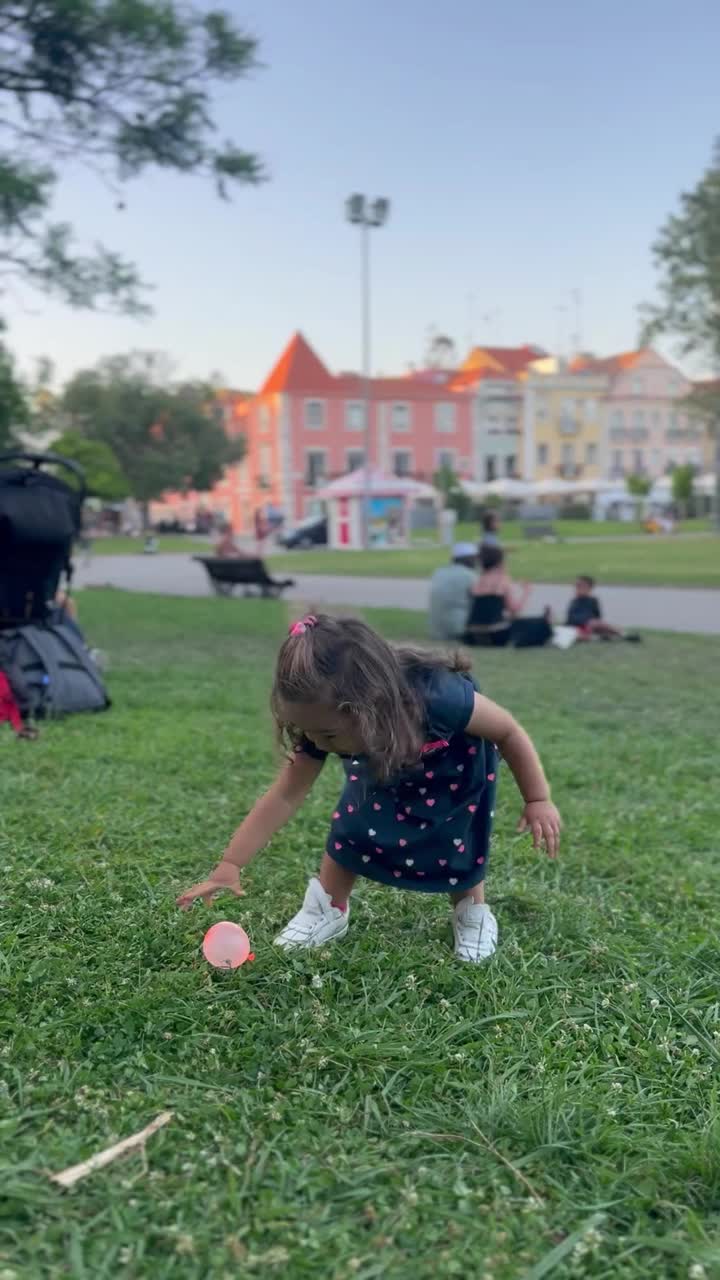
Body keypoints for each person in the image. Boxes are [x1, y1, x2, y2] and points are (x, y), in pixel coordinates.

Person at [177, 614, 561, 963]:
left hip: (453, 770)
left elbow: (508, 730)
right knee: (352, 827)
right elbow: (285, 794)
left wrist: (537, 798)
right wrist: (231, 864)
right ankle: (328, 907)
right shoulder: (322, 719)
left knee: (455, 840)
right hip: (382, 765)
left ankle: (471, 911)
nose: (315, 741)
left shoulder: (439, 698)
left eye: (325, 733)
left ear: (366, 708)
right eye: (303, 730)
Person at [466, 546, 551, 648]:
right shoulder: (502, 580)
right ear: (499, 562)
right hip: (496, 635)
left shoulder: (477, 581)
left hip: (472, 635)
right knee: (539, 624)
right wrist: (526, 592)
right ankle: (544, 620)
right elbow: (514, 611)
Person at [566, 576, 641, 642]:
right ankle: (601, 638)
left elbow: (597, 616)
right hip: (578, 628)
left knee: (600, 625)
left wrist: (592, 623)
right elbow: (571, 619)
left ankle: (624, 634)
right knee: (580, 633)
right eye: (576, 586)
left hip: (591, 626)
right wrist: (587, 622)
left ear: (589, 588)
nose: (577, 589)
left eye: (580, 586)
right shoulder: (574, 602)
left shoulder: (593, 601)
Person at [428, 542, 477, 640]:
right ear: (467, 559)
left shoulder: (439, 572)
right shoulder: (470, 576)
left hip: (436, 631)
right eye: (474, 558)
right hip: (458, 629)